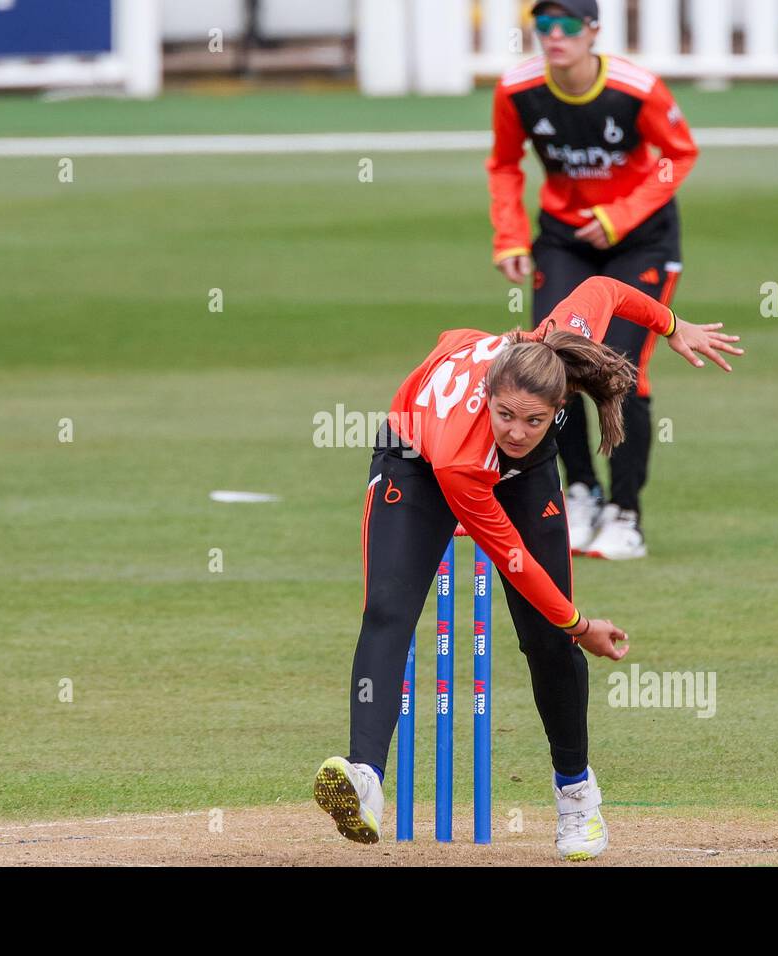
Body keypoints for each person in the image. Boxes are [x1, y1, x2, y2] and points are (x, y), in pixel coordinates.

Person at [314, 276, 741, 859]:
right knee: (388, 609)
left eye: (533, 420)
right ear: (490, 394)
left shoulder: (559, 341)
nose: (516, 429)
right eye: (506, 415)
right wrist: (581, 624)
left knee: (544, 640)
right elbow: (511, 560)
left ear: (558, 406)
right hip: (417, 456)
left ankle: (576, 795)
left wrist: (671, 326)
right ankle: (365, 778)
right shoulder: (466, 459)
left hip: (519, 477)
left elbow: (605, 288)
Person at [488, 0, 699, 560]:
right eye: (545, 26)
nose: (554, 37)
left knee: (619, 368)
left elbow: (678, 156)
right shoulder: (516, 90)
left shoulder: (636, 89)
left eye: (567, 27)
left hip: (641, 239)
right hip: (564, 239)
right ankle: (579, 492)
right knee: (551, 362)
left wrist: (620, 216)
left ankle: (627, 515)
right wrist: (509, 236)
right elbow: (505, 164)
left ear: (593, 32)